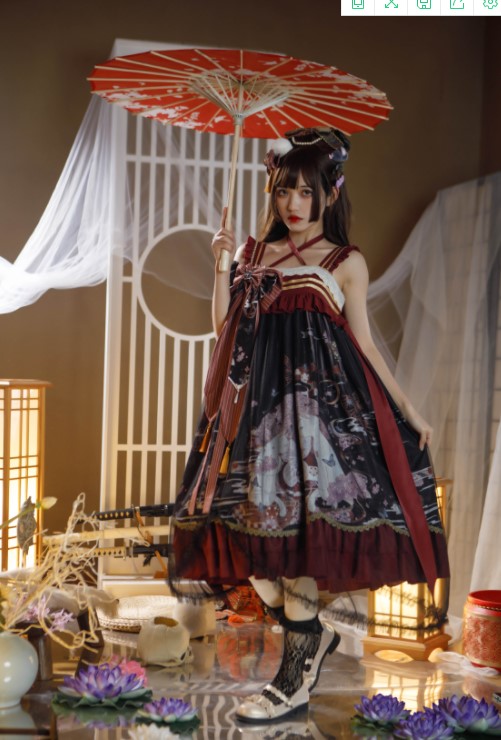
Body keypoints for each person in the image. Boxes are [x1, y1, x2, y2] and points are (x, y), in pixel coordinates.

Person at [171, 127, 450, 724]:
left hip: (321, 427)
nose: (293, 204)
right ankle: (313, 638)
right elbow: (225, 332)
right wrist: (221, 265)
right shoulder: (254, 254)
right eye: (283, 191)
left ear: (331, 192)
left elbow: (366, 346)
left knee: (297, 550)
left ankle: (291, 684)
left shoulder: (346, 262)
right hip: (259, 427)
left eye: (305, 191)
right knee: (254, 554)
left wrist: (408, 409)